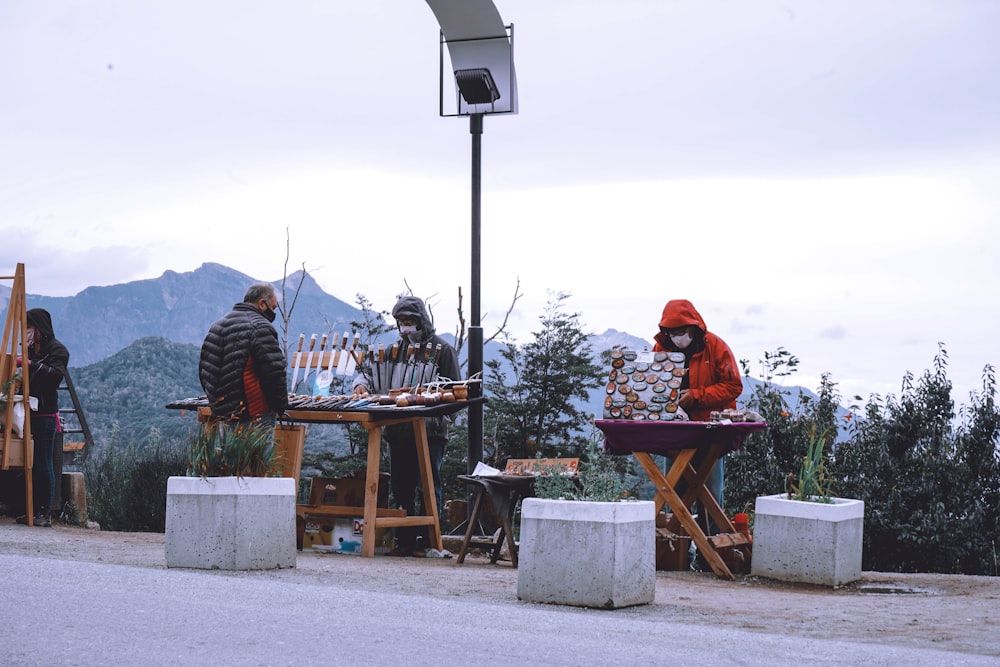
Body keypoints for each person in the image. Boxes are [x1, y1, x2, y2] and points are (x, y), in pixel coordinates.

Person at [353, 295, 461, 556]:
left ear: (421, 320)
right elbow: (368, 373)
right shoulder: (391, 351)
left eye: (410, 321)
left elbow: (455, 392)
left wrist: (436, 414)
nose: (406, 327)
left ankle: (428, 541)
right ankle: (404, 541)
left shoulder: (442, 350)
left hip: (430, 431)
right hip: (397, 429)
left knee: (428, 485)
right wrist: (360, 385)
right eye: (401, 322)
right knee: (401, 485)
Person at [652, 299, 742, 532]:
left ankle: (709, 554)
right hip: (674, 432)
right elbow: (652, 384)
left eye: (681, 331)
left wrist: (697, 396)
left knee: (710, 493)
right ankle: (678, 553)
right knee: (674, 491)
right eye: (672, 332)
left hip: (710, 432)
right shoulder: (661, 349)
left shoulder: (716, 347)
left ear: (693, 328)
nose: (677, 337)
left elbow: (733, 385)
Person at [199, 283, 289, 425]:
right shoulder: (260, 326)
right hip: (255, 412)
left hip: (226, 413)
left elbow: (205, 370)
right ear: (262, 303)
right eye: (273, 307)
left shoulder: (218, 326)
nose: (273, 312)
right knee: (257, 448)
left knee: (232, 448)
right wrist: (280, 406)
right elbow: (274, 373)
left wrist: (217, 405)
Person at [15, 308, 70, 528]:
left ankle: (44, 511)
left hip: (45, 413)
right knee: (29, 462)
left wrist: (30, 365)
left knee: (43, 463)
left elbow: (55, 376)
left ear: (38, 328)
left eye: (29, 327)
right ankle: (30, 509)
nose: (26, 332)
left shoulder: (57, 350)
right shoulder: (31, 349)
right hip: (28, 410)